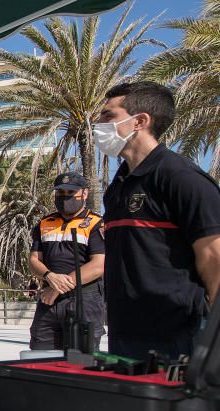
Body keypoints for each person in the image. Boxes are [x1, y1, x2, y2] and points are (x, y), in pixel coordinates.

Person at [97, 81, 220, 358]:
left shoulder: (181, 178)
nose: (99, 124)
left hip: (178, 337)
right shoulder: (119, 184)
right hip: (125, 334)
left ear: (139, 121)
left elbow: (214, 257)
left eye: (108, 116)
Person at [27, 172, 106, 350]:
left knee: (81, 361)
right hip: (48, 302)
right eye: (60, 193)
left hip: (84, 300)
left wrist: (56, 287)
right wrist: (48, 275)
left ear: (84, 194)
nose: (64, 198)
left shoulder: (95, 224)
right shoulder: (45, 223)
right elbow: (33, 260)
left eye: (70, 194)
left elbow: (98, 265)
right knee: (40, 358)